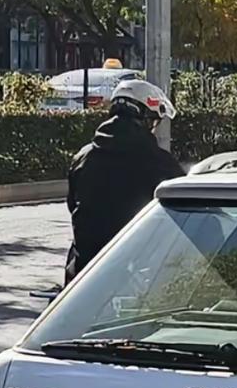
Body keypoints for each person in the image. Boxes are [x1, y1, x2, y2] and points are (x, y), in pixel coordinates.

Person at [64, 79, 183, 283]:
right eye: (154, 121)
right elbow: (183, 212)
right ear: (146, 119)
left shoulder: (83, 157)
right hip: (137, 275)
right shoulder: (161, 163)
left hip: (83, 275)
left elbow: (73, 205)